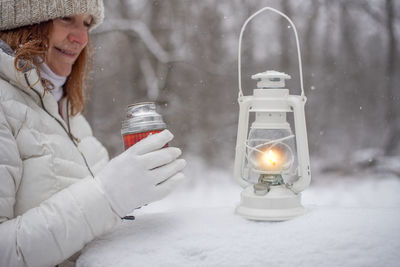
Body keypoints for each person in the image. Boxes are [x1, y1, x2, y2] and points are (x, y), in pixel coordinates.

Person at [0, 1, 186, 266]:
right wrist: (108, 196)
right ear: (24, 22)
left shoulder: (68, 112)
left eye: (87, 23)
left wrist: (132, 194)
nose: (81, 37)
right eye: (66, 17)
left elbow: (87, 227)